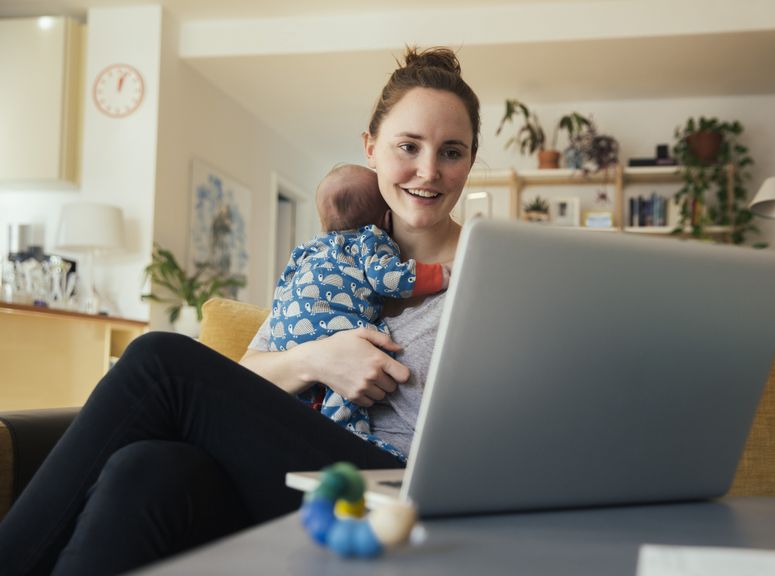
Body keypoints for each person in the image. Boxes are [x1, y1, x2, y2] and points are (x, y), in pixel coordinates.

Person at [0, 44, 479, 576]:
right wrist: (316, 360)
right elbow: (247, 375)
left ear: (471, 160)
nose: (428, 171)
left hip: (391, 490)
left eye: (451, 151)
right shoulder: (329, 260)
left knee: (160, 360)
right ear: (370, 148)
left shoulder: (492, 272)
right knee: (146, 468)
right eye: (407, 146)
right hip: (291, 475)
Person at [271, 163, 450, 460]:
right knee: (363, 360)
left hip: (286, 330)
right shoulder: (370, 239)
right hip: (332, 331)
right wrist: (442, 275)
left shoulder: (309, 249)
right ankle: (348, 430)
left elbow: (283, 288)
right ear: (385, 219)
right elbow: (390, 278)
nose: (429, 170)